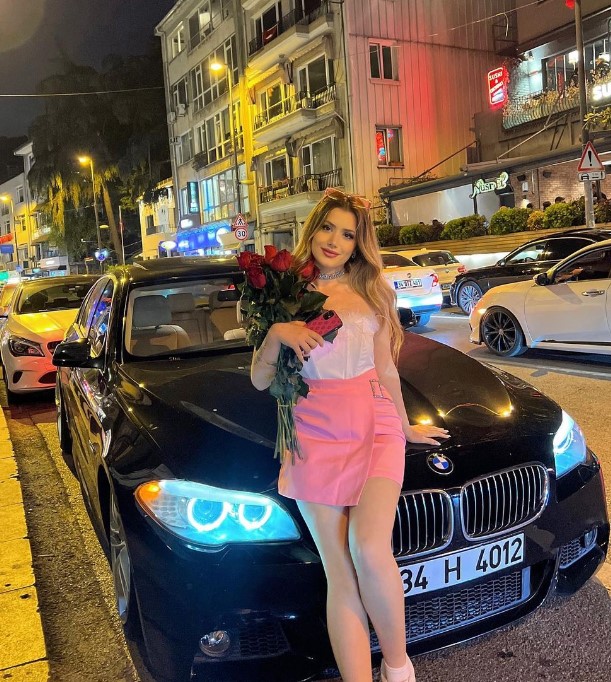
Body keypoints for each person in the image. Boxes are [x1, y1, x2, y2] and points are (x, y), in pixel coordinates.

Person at [250, 187, 449, 682]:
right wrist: (277, 333)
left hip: (374, 420)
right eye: (327, 228)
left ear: (359, 244)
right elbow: (260, 379)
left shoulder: (373, 289)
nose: (334, 241)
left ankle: (399, 669)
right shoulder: (285, 291)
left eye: (348, 234)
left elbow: (386, 368)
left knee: (368, 546)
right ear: (312, 228)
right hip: (312, 430)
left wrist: (404, 425)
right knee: (338, 571)